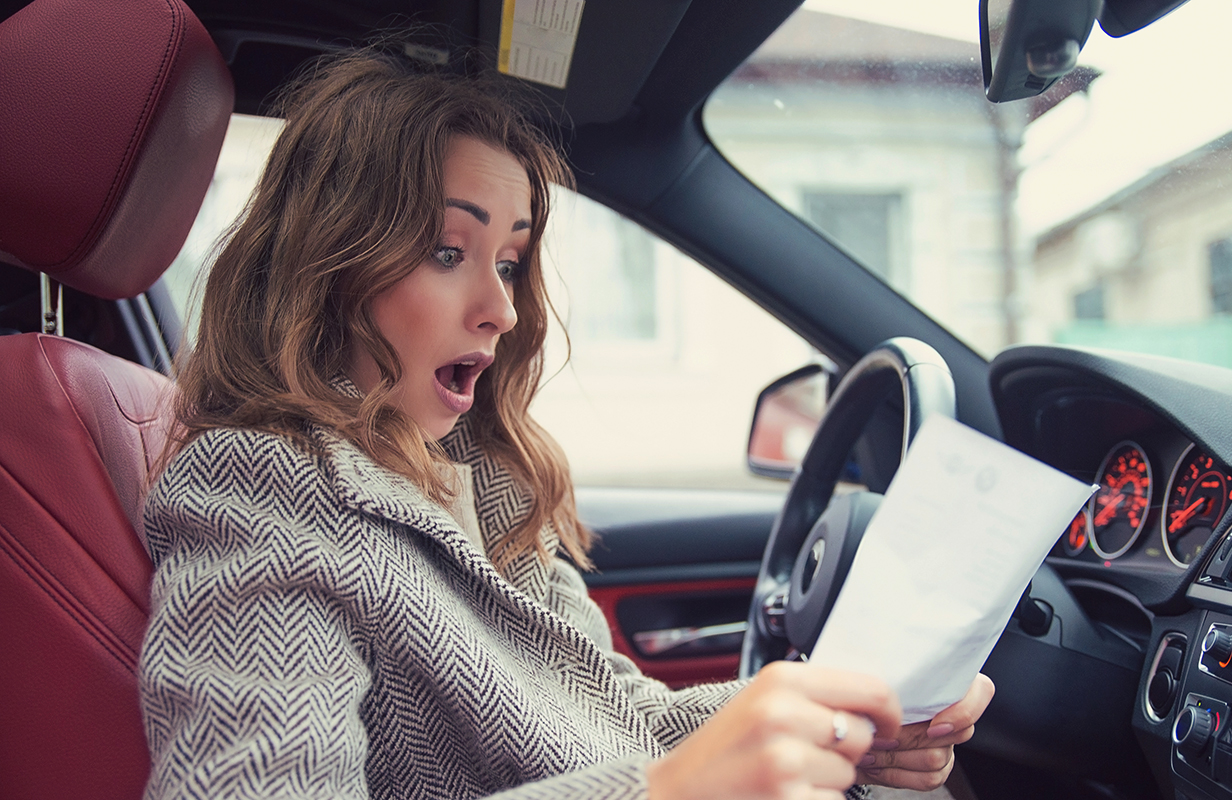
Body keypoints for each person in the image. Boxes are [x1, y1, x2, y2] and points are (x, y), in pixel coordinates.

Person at [138, 48, 994, 800]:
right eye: (448, 252)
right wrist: (667, 793)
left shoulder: (484, 479)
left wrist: (834, 720)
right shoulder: (260, 485)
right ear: (327, 264)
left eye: (509, 262)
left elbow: (617, 717)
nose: (502, 311)